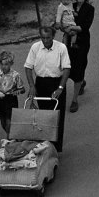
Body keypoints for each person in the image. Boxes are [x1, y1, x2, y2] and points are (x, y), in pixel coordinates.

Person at [23, 24, 70, 152]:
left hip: (56, 83)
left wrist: (60, 88)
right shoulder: (35, 47)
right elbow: (28, 67)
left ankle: (56, 148)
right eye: (43, 38)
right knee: (43, 117)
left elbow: (66, 69)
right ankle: (45, 145)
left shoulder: (61, 48)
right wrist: (32, 86)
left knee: (57, 117)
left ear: (53, 36)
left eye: (48, 38)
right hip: (41, 83)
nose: (45, 40)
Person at [68, 0, 95, 113]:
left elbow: (85, 26)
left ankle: (74, 100)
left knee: (79, 66)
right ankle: (81, 82)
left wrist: (70, 28)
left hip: (82, 42)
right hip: (68, 41)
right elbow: (63, 20)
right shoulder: (69, 6)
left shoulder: (90, 9)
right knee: (68, 65)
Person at [0, 51, 25, 137]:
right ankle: (11, 135)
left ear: (11, 64)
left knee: (9, 121)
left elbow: (23, 89)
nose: (3, 67)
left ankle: (9, 138)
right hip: (0, 100)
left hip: (11, 99)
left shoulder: (16, 75)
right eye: (2, 64)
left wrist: (18, 91)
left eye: (6, 65)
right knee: (3, 121)